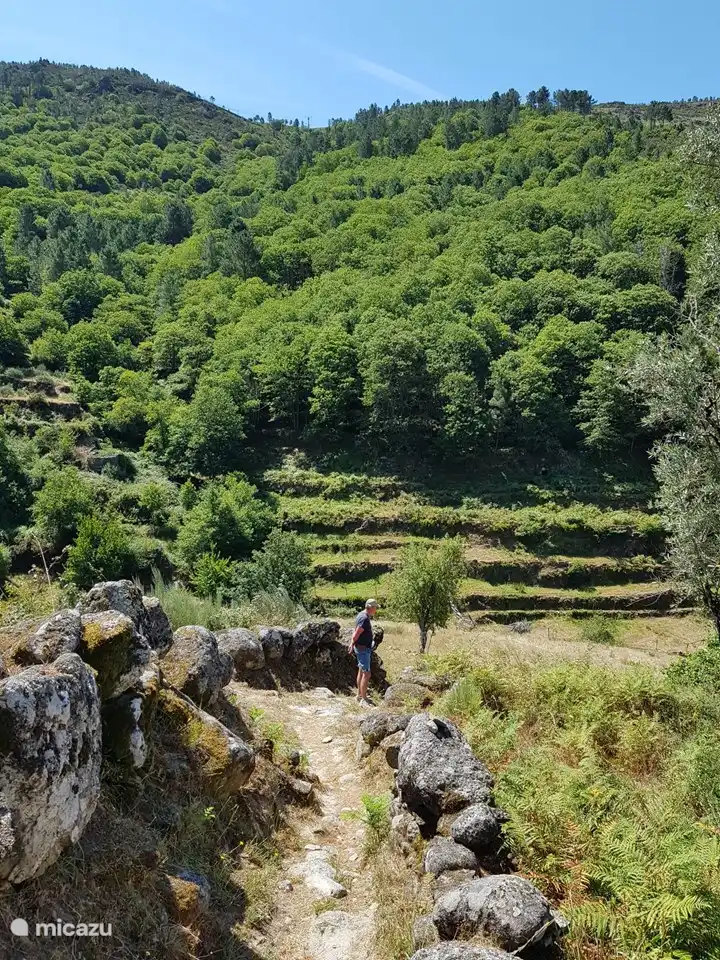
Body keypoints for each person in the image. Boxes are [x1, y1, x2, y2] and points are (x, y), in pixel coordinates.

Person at [348, 598, 377, 706]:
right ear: (372, 608)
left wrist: (352, 644)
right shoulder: (364, 618)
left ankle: (359, 694)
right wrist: (351, 643)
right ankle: (364, 699)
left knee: (361, 671)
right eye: (375, 608)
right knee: (367, 674)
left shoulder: (361, 614)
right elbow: (356, 633)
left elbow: (356, 632)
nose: (376, 610)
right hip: (363, 649)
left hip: (361, 647)